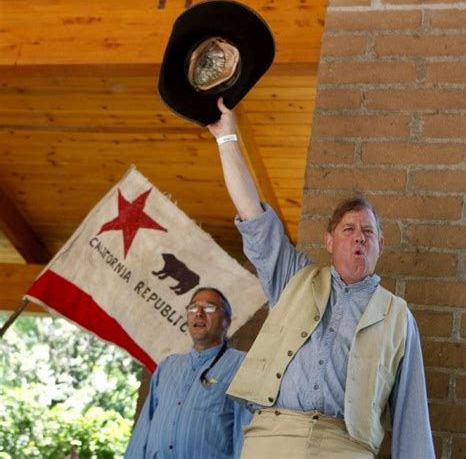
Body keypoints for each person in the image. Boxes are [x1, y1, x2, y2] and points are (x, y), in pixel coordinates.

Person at [207, 98, 435, 459]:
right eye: (348, 229)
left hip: (347, 447)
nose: (359, 236)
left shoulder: (398, 317)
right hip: (273, 440)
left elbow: (412, 417)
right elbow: (252, 215)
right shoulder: (293, 276)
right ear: (329, 241)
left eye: (368, 231)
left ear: (380, 245)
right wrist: (226, 138)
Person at [125, 286, 252, 459]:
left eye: (209, 307)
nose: (199, 312)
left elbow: (245, 436)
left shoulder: (243, 365)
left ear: (227, 322)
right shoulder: (167, 366)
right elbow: (143, 429)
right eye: (193, 307)